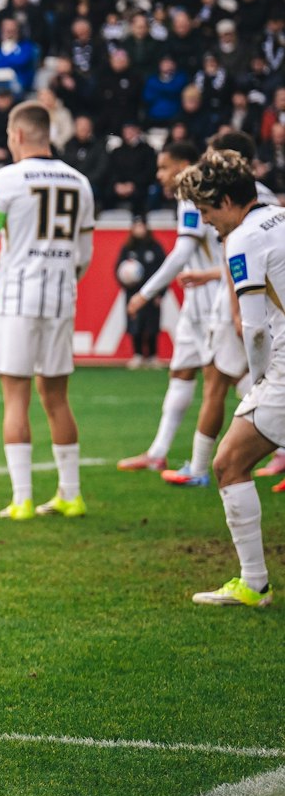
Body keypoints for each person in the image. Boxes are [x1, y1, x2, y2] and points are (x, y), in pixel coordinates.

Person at [0, 102, 95, 521]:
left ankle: (23, 498)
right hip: (60, 299)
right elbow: (84, 253)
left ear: (16, 135)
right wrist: (65, 281)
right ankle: (71, 494)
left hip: (17, 300)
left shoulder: (5, 180)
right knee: (56, 397)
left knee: (15, 396)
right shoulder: (80, 183)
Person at [177, 150, 282, 605]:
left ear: (224, 201)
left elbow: (253, 327)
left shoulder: (242, 239)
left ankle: (254, 583)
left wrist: (259, 380)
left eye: (205, 211)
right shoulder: (281, 215)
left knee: (228, 464)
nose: (206, 223)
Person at [117, 140, 243, 480]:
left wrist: (145, 293)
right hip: (197, 304)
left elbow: (183, 250)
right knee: (182, 372)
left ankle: (206, 466)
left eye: (165, 167)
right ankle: (158, 452)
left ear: (186, 164)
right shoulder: (195, 197)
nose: (160, 175)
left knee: (235, 380)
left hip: (218, 301)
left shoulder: (194, 195)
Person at [116, 219, 165, 370]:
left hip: (151, 295)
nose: (139, 229)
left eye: (141, 225)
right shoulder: (128, 248)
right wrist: (126, 284)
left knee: (152, 325)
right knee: (135, 325)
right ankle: (137, 355)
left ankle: (152, 356)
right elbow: (118, 270)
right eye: (136, 226)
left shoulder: (155, 247)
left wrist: (160, 293)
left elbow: (164, 271)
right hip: (134, 294)